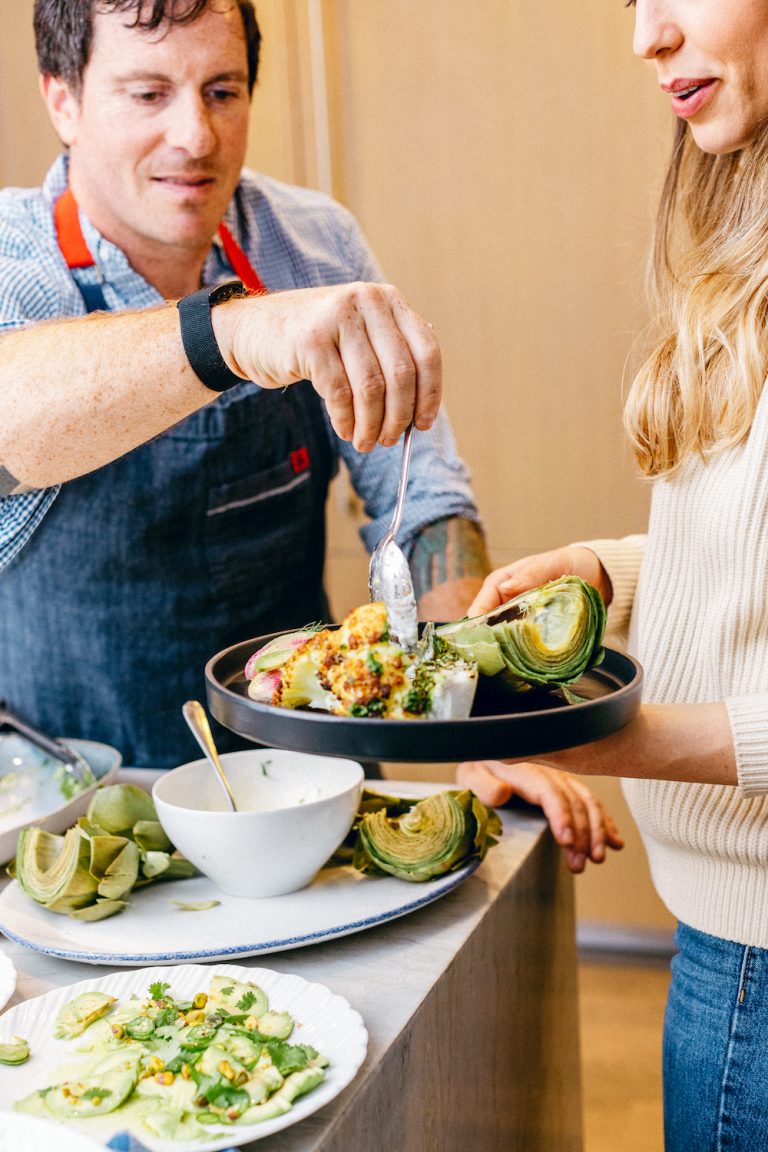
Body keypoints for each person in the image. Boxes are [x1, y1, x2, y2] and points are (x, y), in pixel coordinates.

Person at [0, 0, 622, 875]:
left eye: (224, 91)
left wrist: (473, 723)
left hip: (307, 800)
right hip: (77, 826)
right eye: (148, 94)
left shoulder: (312, 241)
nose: (197, 136)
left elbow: (425, 507)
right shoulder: (11, 259)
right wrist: (229, 337)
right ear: (60, 98)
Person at [458, 1, 768, 1147]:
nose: (647, 36)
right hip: (729, 949)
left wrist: (605, 739)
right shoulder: (745, 235)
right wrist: (611, 571)